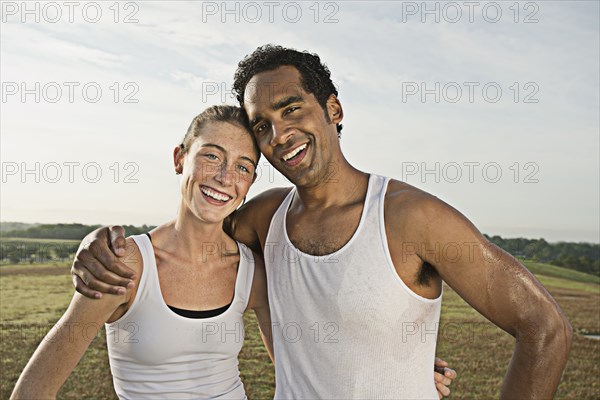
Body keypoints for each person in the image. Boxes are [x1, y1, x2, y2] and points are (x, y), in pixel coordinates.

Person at [75, 46, 585, 400]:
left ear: (333, 109)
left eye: (292, 108)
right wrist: (102, 241)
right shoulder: (261, 217)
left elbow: (544, 328)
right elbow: (187, 232)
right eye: (262, 125)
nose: (280, 133)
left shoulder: (412, 216)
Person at [11, 105, 273, 399]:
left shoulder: (251, 270)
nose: (225, 178)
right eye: (212, 156)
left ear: (250, 181)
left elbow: (297, 375)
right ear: (179, 159)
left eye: (242, 167)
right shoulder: (122, 265)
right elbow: (31, 393)